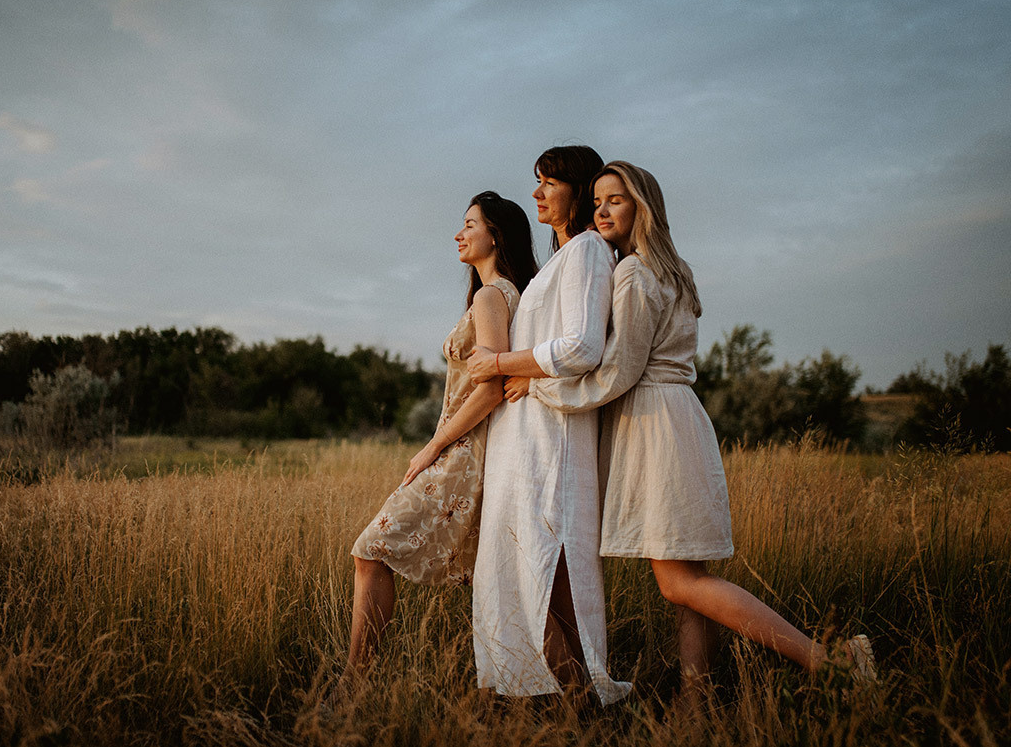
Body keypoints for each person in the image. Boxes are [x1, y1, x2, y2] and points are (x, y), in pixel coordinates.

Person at [514, 160, 875, 705]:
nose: (603, 210)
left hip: (655, 425)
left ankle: (830, 663)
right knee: (690, 581)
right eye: (598, 202)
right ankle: (695, 705)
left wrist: (539, 387)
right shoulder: (674, 269)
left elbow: (617, 370)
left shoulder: (633, 273)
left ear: (643, 207)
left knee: (678, 582)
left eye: (616, 200)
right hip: (680, 415)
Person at [337, 191, 536, 699]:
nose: (459, 233)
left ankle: (353, 688)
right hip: (472, 448)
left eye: (470, 224)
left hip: (463, 450)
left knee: (371, 549)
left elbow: (489, 386)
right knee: (483, 576)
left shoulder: (491, 297)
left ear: (496, 234)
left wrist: (433, 446)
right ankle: (514, 690)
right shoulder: (508, 294)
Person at [466, 146, 633, 706]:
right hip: (524, 437)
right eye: (535, 182)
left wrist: (502, 365)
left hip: (550, 441)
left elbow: (584, 347)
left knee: (539, 569)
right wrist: (524, 373)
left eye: (548, 183)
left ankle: (585, 707)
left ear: (578, 191)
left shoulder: (587, 250)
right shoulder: (561, 261)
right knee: (523, 568)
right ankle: (562, 701)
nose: (537, 193)